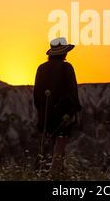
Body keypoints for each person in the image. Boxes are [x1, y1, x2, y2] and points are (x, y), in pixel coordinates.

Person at [33, 37, 82, 174]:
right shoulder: (67, 68)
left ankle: (47, 171)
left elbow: (36, 95)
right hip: (63, 114)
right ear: (64, 53)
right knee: (60, 145)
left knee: (48, 146)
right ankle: (55, 174)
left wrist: (41, 112)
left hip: (45, 114)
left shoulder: (41, 68)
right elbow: (72, 92)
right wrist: (75, 111)